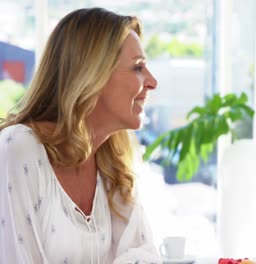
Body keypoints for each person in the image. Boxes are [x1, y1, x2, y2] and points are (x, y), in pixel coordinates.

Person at [0, 8, 160, 263]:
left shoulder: (110, 164)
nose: (152, 82)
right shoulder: (19, 148)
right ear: (92, 75)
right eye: (138, 67)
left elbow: (144, 254)